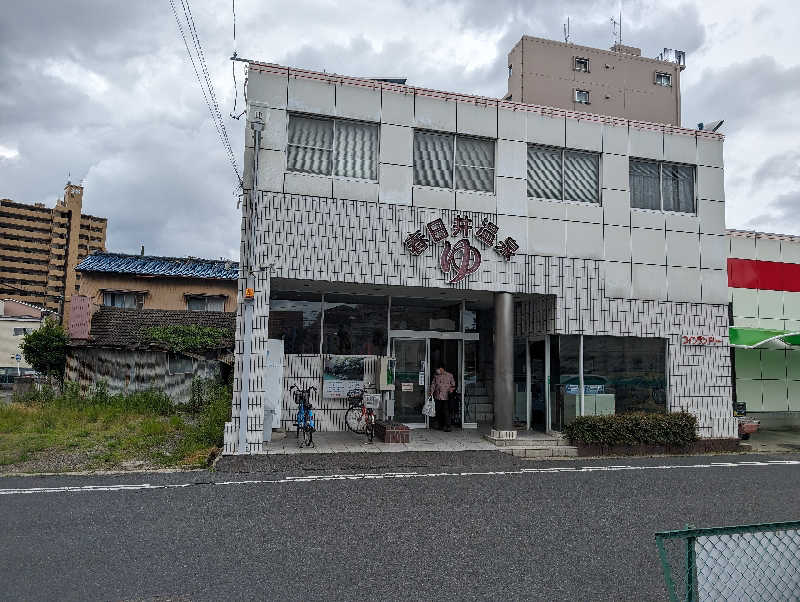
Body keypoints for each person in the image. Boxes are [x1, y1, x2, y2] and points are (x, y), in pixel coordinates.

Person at [430, 365, 456, 432]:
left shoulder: (449, 375)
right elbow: (433, 384)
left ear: (441, 369)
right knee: (438, 411)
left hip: (447, 397)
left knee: (446, 411)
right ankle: (440, 425)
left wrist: (451, 390)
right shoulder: (436, 376)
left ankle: (448, 426)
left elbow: (453, 385)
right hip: (438, 396)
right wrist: (431, 391)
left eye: (437, 369)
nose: (436, 371)